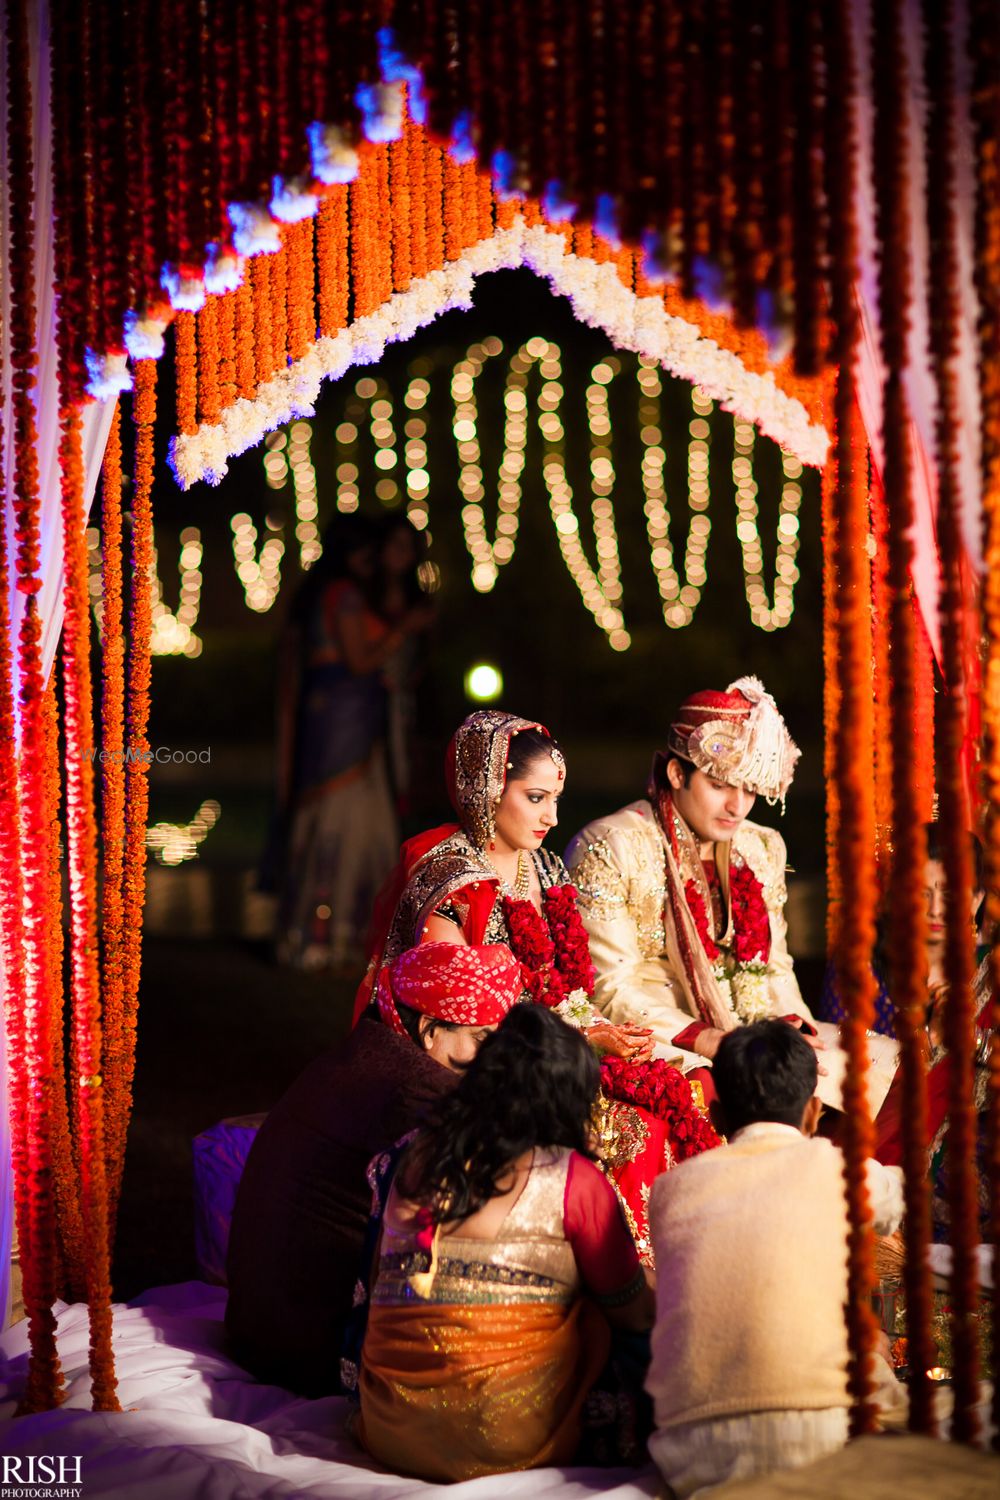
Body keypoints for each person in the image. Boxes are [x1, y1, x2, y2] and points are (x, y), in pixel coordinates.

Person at [357, 709, 719, 1261]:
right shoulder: (451, 880)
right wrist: (581, 1041)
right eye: (534, 797)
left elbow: (566, 992)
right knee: (624, 1126)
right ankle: (603, 1282)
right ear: (485, 788)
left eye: (556, 797)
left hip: (552, 1049)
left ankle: (667, 1273)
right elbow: (463, 1014)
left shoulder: (546, 870)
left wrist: (600, 1028)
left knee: (677, 1089)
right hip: (477, 1061)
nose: (552, 815)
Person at [355, 1005, 655, 1482]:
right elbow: (634, 1312)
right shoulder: (568, 1177)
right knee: (606, 1312)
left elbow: (374, 1283)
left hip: (389, 1425)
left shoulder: (407, 1153)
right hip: (505, 1437)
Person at [224, 941, 520, 1395]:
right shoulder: (419, 1087)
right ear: (428, 1030)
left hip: (258, 1329)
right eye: (481, 1038)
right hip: (311, 1350)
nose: (492, 1061)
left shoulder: (365, 1050)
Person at [646, 1020, 904, 1497]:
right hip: (823, 1439)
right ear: (812, 1113)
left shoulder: (669, 1190)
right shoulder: (839, 1169)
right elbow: (893, 1204)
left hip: (691, 1453)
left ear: (718, 1116)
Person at [566, 678, 815, 1073]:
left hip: (753, 1036)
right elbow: (609, 987)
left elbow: (776, 970)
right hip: (663, 1040)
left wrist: (799, 1038)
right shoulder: (614, 844)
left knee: (869, 1072)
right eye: (719, 786)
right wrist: (712, 1040)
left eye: (750, 790)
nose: (737, 807)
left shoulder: (762, 846)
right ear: (677, 774)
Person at [273, 513, 430, 971]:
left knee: (361, 826)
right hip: (340, 723)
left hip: (357, 724)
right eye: (369, 550)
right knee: (335, 823)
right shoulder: (342, 596)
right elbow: (360, 661)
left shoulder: (347, 594)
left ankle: (340, 935)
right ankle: (320, 937)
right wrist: (405, 629)